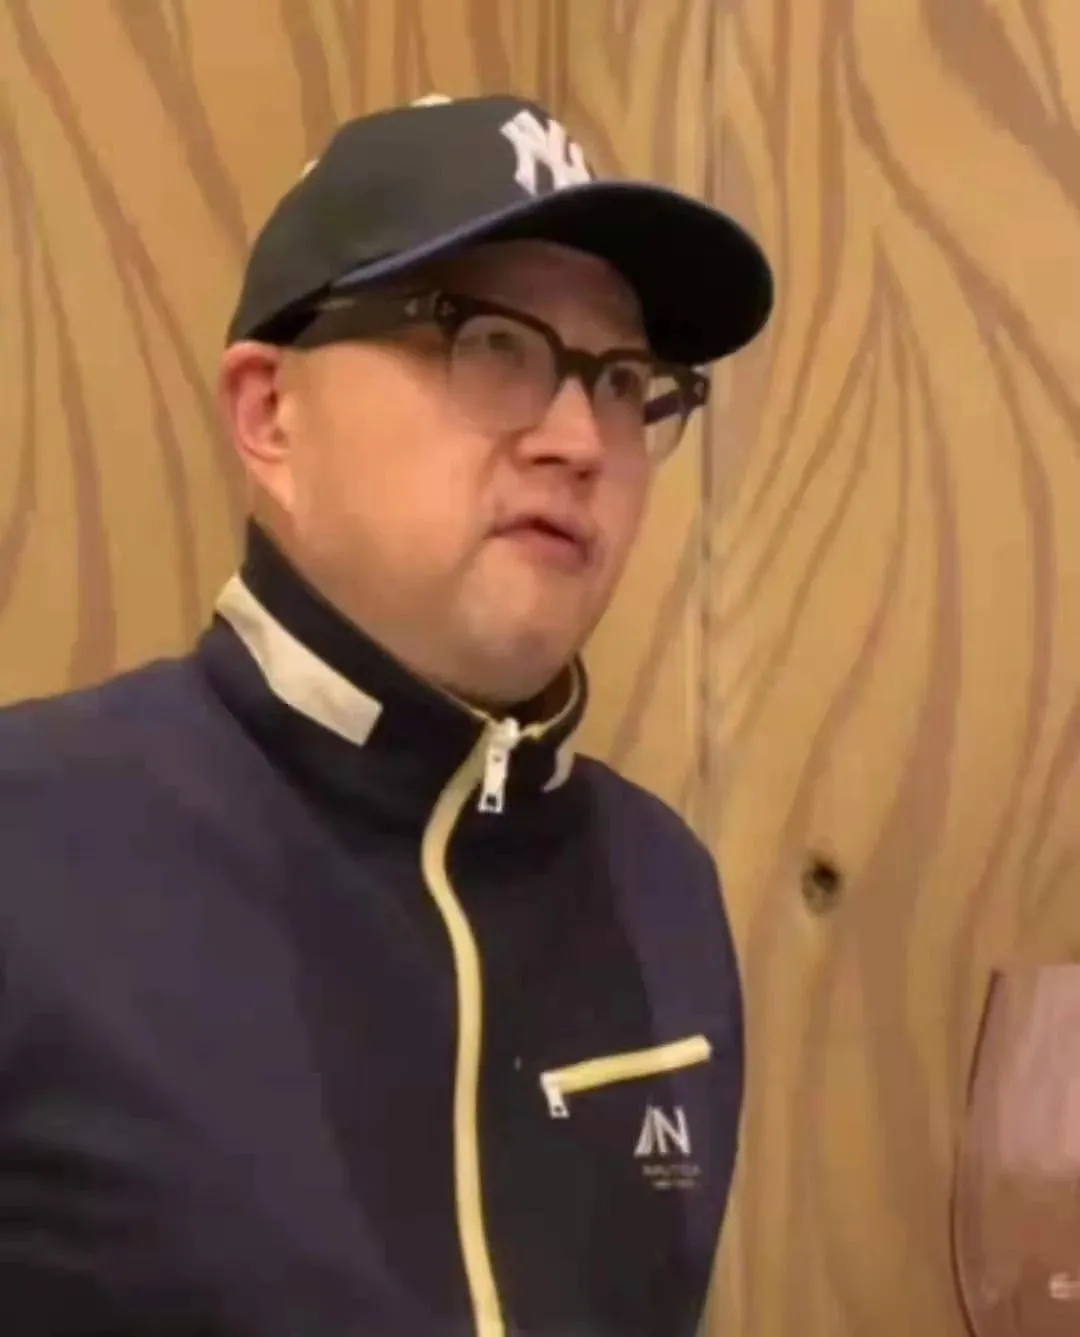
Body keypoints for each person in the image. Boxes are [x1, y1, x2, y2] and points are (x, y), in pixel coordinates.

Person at [0, 94, 772, 1337]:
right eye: (493, 343)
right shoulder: (29, 850)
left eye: (625, 379)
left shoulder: (664, 888)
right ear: (270, 413)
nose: (581, 437)